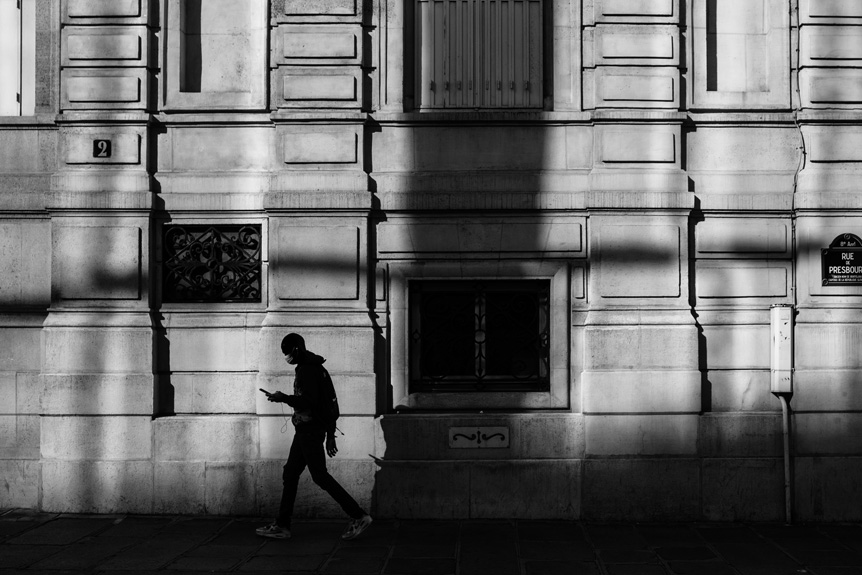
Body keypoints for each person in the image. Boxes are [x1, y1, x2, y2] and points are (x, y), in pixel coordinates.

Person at [256, 333, 373, 541]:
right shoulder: (313, 367)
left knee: (319, 476)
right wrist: (329, 434)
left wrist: (284, 398)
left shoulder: (308, 370)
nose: (286, 357)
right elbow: (325, 404)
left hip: (309, 431)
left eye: (288, 352)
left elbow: (309, 402)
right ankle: (283, 525)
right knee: (291, 473)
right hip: (307, 430)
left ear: (297, 349)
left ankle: (359, 515)